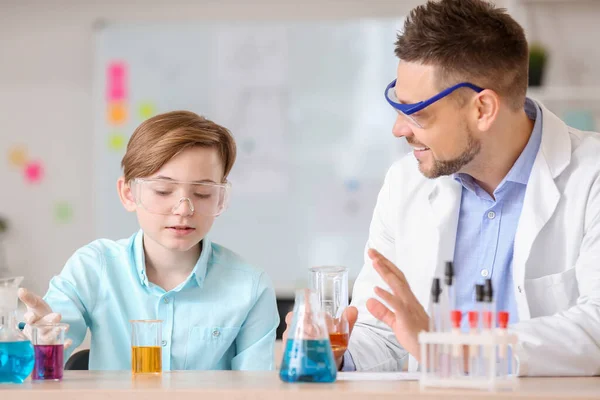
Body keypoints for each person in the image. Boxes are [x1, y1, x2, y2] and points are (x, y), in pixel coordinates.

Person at [284, 0, 600, 376]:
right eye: (398, 107)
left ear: (482, 109)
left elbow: (594, 328)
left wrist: (449, 351)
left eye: (417, 112)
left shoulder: (591, 176)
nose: (399, 129)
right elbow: (384, 335)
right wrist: (334, 351)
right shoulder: (405, 184)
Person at [19, 111, 279, 370]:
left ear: (221, 198)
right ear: (128, 193)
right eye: (163, 191)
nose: (184, 209)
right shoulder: (93, 267)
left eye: (202, 193)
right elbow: (43, 356)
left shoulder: (250, 288)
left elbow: (255, 391)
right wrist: (40, 342)